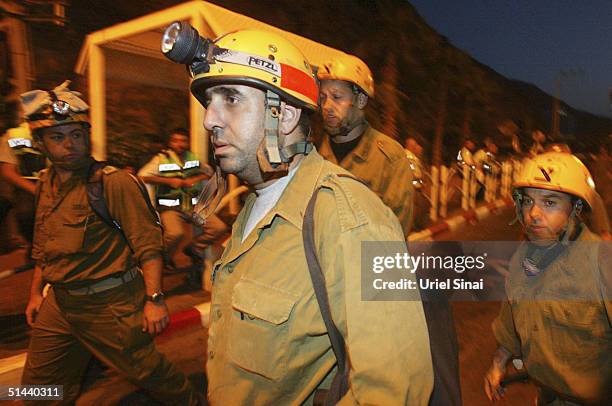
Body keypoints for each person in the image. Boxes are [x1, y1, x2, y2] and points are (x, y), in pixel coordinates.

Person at [162, 24, 433, 404]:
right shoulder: (257, 202)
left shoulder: (351, 219)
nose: (210, 119)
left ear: (285, 116)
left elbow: (396, 389)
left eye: (232, 99)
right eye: (209, 101)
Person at [20, 81, 199, 405]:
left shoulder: (113, 182)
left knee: (153, 376)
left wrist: (155, 299)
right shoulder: (45, 183)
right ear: (40, 143)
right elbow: (44, 243)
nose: (69, 144)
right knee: (34, 386)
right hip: (59, 303)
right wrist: (35, 292)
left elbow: (148, 244)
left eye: (76, 134)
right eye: (57, 137)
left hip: (108, 306)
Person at [484, 151, 611, 405]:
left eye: (550, 203)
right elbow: (511, 319)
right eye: (528, 202)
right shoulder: (523, 258)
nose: (534, 214)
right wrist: (499, 362)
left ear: (576, 208)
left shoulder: (602, 262)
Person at [317, 54, 415, 235]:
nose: (327, 106)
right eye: (323, 97)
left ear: (361, 100)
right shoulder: (310, 155)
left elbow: (395, 235)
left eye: (337, 97)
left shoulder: (390, 159)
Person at [138, 128, 215, 263]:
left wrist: (194, 180)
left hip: (192, 206)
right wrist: (169, 181)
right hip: (170, 208)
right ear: (170, 142)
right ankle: (162, 260)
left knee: (218, 228)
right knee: (175, 234)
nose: (179, 144)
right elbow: (142, 176)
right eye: (175, 140)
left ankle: (193, 248)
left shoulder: (193, 158)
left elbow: (209, 172)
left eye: (183, 141)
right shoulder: (161, 159)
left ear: (187, 142)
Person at [0, 122, 43, 254]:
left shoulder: (60, 132)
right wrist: (37, 191)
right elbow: (7, 171)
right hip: (28, 195)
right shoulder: (14, 135)